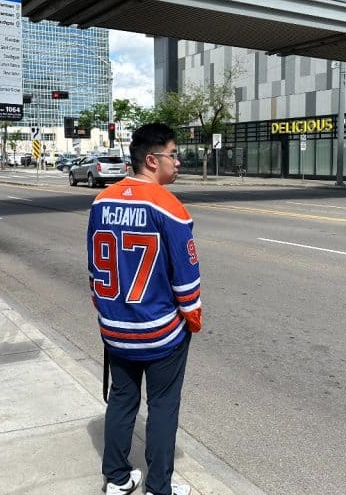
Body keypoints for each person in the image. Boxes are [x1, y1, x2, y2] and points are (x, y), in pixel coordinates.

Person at [87, 123, 202, 495]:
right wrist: (191, 320)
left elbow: (94, 269)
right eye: (173, 154)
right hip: (159, 332)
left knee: (122, 398)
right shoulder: (169, 207)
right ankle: (158, 487)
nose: (179, 161)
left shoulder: (102, 201)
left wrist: (106, 313)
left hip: (115, 329)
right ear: (152, 161)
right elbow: (186, 281)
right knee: (163, 406)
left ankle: (117, 479)